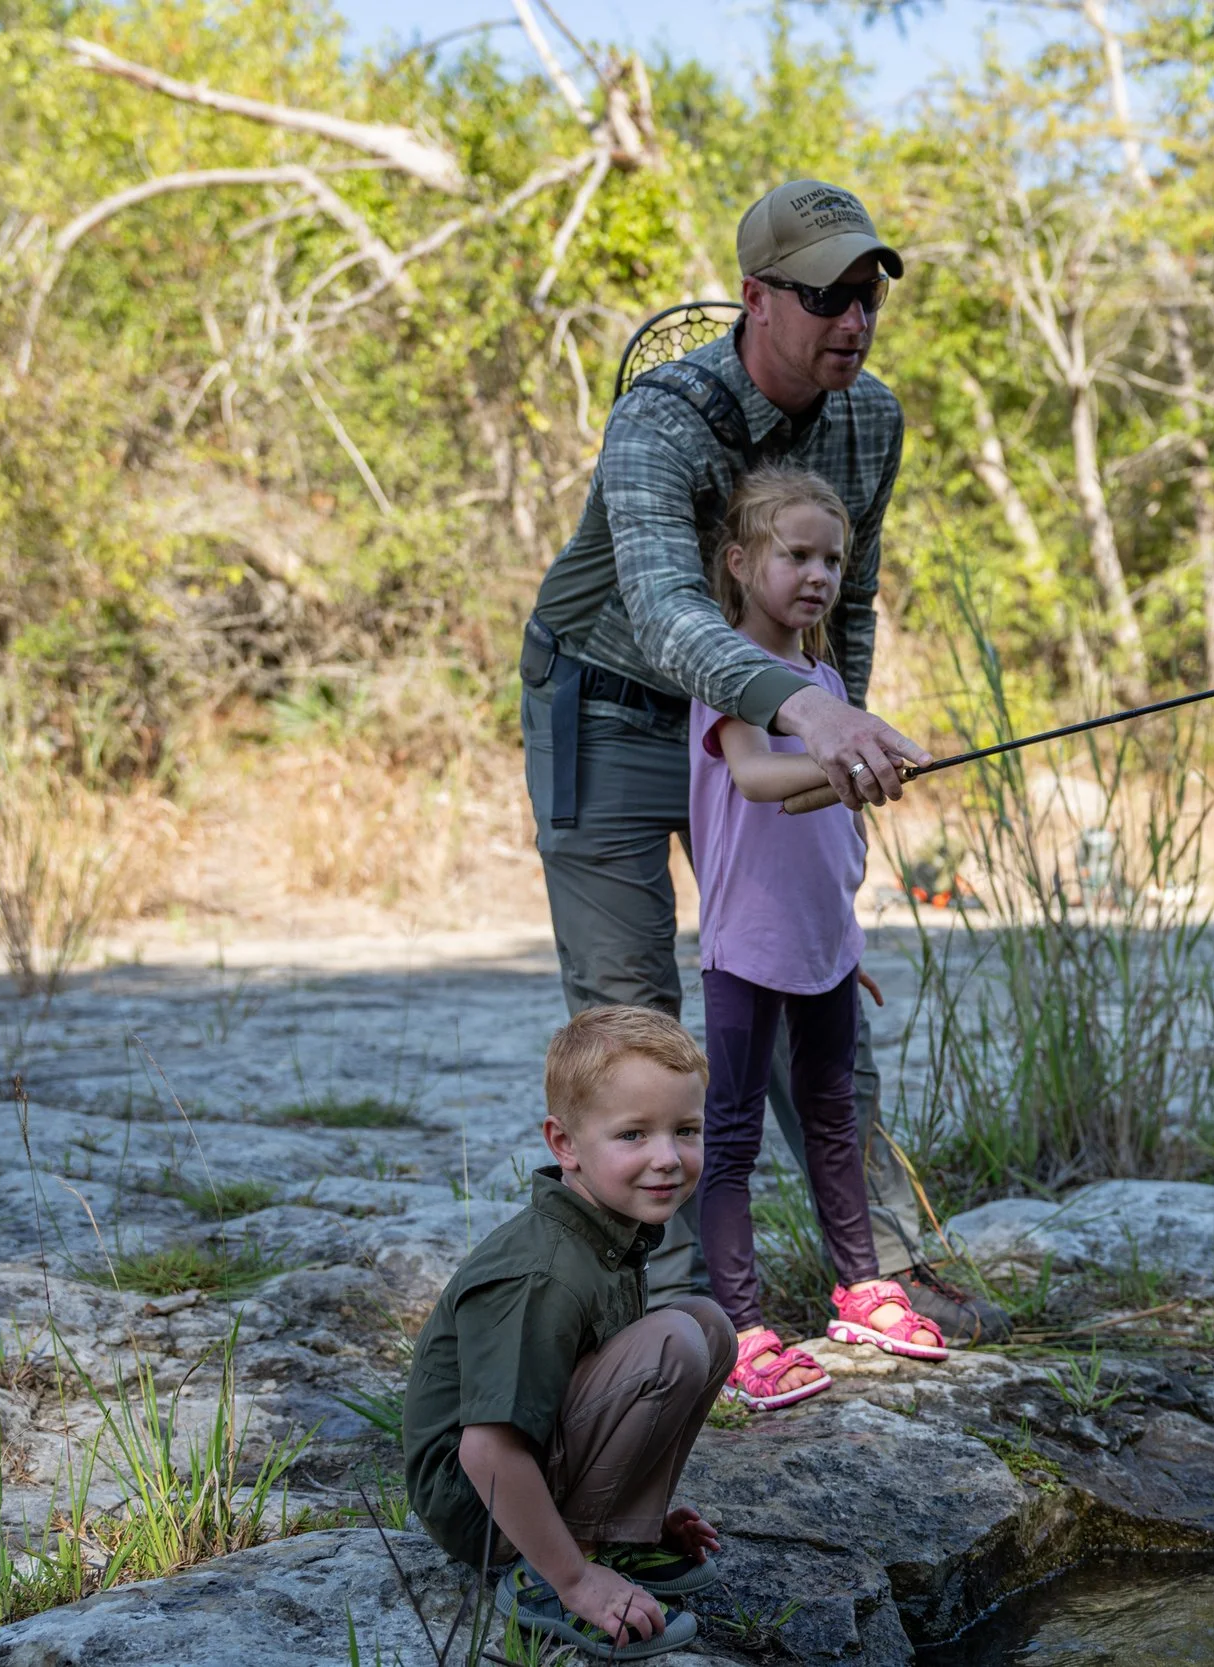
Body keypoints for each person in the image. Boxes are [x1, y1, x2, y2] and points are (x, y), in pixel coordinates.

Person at [516, 177, 1006, 1342]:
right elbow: (669, 610)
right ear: (755, 299)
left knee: (811, 982)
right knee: (634, 1022)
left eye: (868, 296)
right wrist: (808, 717)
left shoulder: (868, 418)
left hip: (781, 721)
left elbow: (855, 605)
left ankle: (884, 1266)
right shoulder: (660, 419)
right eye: (825, 295)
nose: (853, 319)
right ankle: (675, 1303)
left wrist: (844, 765)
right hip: (610, 707)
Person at [689, 467, 949, 1409]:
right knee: (732, 1138)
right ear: (740, 560)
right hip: (745, 951)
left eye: (832, 559)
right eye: (796, 554)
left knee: (836, 1120)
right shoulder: (729, 676)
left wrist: (844, 927)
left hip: (822, 949)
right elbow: (760, 779)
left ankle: (859, 1287)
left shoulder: (829, 681)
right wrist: (838, 751)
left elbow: (822, 817)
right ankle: (741, 1325)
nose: (817, 575)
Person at [401, 1007, 735, 1661]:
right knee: (672, 1341)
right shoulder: (544, 1269)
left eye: (685, 1129)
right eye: (633, 1134)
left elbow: (588, 1387)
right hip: (485, 1506)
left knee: (708, 1326)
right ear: (566, 1143)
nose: (667, 1158)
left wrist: (641, 1508)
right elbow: (486, 1450)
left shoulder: (605, 1228)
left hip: (523, 1472)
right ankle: (549, 1576)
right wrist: (576, 1579)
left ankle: (619, 1535)